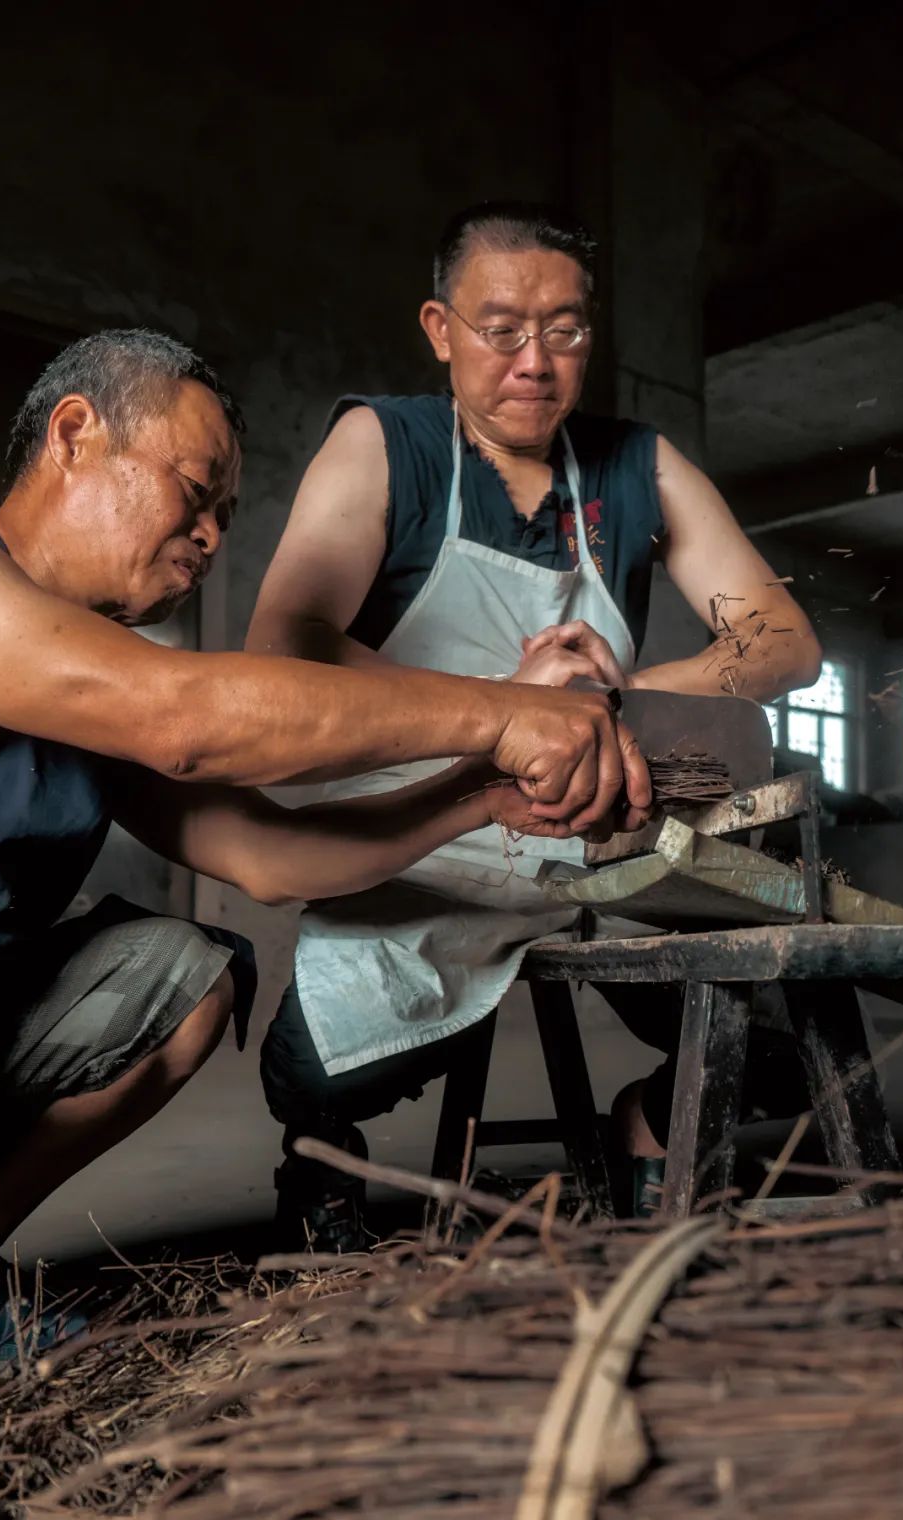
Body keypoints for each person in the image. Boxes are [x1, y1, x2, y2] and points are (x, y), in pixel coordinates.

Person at [0, 327, 648, 1358]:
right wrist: (500, 712)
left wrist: (474, 795)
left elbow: (273, 859)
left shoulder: (92, 699)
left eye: (227, 514)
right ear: (76, 434)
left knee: (185, 979)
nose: (214, 535)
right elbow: (185, 720)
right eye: (194, 489)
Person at [248, 202, 823, 1240]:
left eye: (564, 330)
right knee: (311, 1070)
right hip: (436, 837)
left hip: (607, 840)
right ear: (440, 329)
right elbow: (288, 644)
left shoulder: (635, 467)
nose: (534, 362)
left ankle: (645, 1128)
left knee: (789, 1033)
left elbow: (784, 639)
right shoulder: (386, 444)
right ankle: (321, 1175)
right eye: (500, 328)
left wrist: (605, 702)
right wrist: (507, 712)